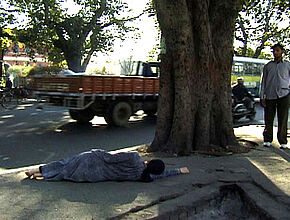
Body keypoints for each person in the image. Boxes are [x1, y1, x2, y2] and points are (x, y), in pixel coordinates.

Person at [25, 149, 190, 182]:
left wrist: (96, 151)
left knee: (64, 164)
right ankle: (41, 177)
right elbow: (160, 175)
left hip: (94, 161)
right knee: (65, 174)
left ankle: (36, 171)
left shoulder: (134, 157)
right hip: (94, 176)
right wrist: (178, 171)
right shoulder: (140, 176)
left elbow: (111, 158)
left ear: (150, 161)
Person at [260, 43, 290, 149]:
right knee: (268, 118)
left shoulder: (287, 65)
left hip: (284, 94)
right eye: (274, 51)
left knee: (283, 119)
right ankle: (267, 139)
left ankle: (282, 141)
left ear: (282, 52)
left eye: (278, 50)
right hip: (270, 95)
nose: (276, 53)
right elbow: (263, 82)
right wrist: (262, 96)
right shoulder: (268, 66)